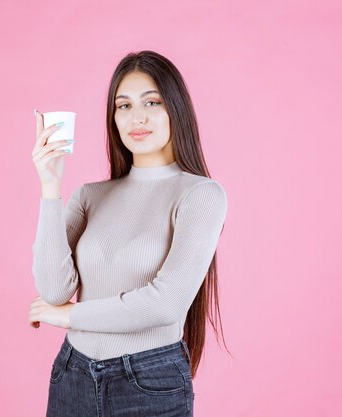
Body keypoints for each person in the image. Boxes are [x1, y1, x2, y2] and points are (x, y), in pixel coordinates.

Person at [28, 50, 228, 417]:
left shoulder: (200, 194)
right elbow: (53, 290)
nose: (137, 116)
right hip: (72, 374)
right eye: (123, 105)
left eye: (151, 101)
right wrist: (50, 186)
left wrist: (71, 316)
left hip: (148, 381)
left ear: (175, 109)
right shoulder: (90, 195)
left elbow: (165, 304)